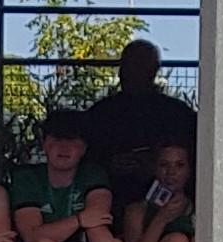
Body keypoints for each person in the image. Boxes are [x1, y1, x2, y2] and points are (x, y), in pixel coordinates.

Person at [10, 110, 124, 242]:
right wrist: (79, 219)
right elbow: (33, 236)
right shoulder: (28, 178)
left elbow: (98, 223)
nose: (64, 148)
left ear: (83, 148)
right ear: (44, 144)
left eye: (72, 141)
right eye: (56, 140)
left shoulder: (93, 174)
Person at [80, 39, 196, 193]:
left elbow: (195, 156)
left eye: (141, 67)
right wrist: (108, 164)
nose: (133, 73)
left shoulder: (179, 114)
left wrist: (159, 164)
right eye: (129, 66)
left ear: (154, 71)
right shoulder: (101, 113)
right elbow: (82, 157)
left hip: (167, 198)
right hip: (108, 196)